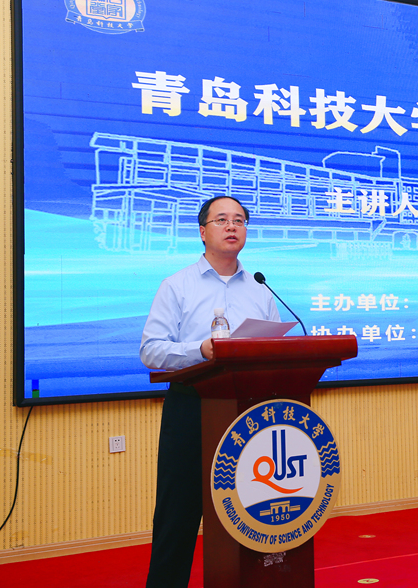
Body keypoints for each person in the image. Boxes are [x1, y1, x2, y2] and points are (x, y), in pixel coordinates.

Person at [140, 195, 280, 588]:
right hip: (192, 409)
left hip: (249, 414)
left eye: (239, 220)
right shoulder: (177, 285)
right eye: (221, 220)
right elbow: (151, 350)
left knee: (252, 510)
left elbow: (274, 348)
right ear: (203, 232)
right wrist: (199, 350)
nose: (232, 226)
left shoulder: (260, 289)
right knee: (178, 515)